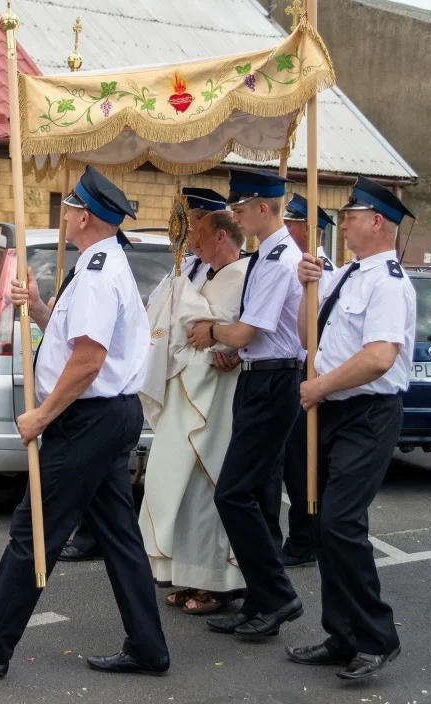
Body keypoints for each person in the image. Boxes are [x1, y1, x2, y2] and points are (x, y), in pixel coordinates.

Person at [0, 166, 170, 679]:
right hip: (105, 417)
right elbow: (68, 340)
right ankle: (148, 647)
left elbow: (87, 360)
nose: (63, 212)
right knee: (119, 534)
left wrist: (40, 414)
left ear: (84, 216)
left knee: (34, 528)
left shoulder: (100, 274)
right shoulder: (97, 264)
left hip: (90, 419)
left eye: (69, 206)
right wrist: (36, 307)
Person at [286, 176, 414, 680]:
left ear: (377, 221)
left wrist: (320, 387)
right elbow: (306, 337)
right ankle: (341, 635)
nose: (344, 222)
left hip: (366, 412)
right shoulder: (344, 276)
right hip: (330, 409)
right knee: (321, 525)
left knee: (342, 523)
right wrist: (305, 288)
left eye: (352, 215)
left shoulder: (389, 282)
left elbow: (380, 357)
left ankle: (377, 637)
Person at [61, 186, 229, 563]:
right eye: (184, 224)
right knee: (155, 485)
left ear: (214, 225)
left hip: (200, 386)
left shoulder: (228, 270)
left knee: (195, 484)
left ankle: (198, 570)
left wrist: (225, 344)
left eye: (194, 223)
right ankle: (156, 563)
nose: (186, 234)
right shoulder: (183, 267)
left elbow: (227, 323)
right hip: (168, 380)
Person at [187, 166, 304, 638]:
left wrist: (214, 334)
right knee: (252, 493)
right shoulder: (265, 256)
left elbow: (246, 329)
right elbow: (253, 335)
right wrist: (233, 347)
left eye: (239, 208)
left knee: (232, 493)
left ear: (262, 207)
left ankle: (278, 596)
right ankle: (261, 603)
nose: (234, 217)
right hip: (259, 376)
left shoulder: (278, 261)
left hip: (274, 382)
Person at [139, 210, 250, 615]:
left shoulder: (246, 273)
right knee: (181, 486)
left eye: (200, 236)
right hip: (186, 387)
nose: (194, 245)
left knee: (210, 483)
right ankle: (189, 575)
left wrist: (233, 347)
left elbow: (251, 328)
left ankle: (219, 584)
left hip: (218, 395)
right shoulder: (200, 272)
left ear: (222, 235)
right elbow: (184, 322)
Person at [270, 193, 337, 568]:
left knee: (304, 462)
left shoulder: (323, 272)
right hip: (302, 372)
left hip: (314, 373)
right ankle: (304, 535)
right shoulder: (302, 266)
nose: (286, 227)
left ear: (311, 231)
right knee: (296, 460)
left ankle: (304, 539)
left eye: (292, 222)